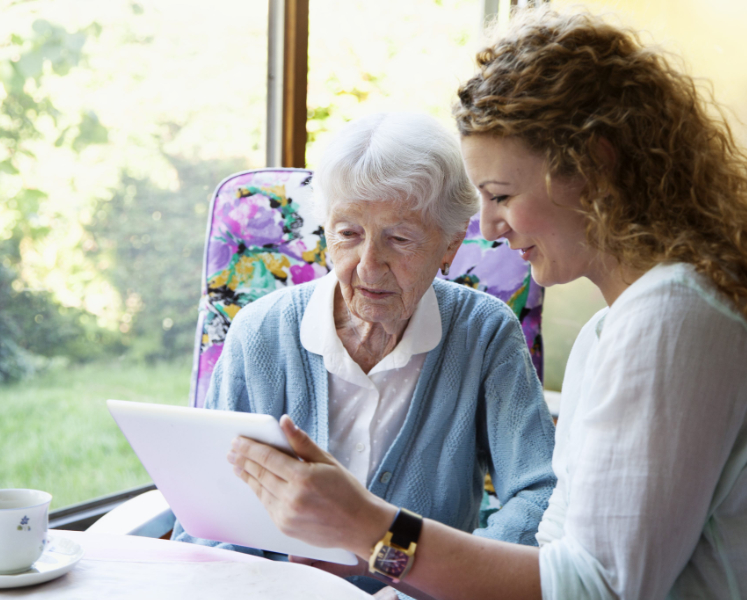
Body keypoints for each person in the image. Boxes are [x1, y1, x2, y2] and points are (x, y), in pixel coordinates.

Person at [225, 6, 747, 600]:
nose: (488, 229)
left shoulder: (675, 319)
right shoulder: (613, 330)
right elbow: (555, 554)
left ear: (595, 168)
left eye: (501, 194)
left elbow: (595, 591)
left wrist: (371, 528)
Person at [173, 111, 557, 597]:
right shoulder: (260, 334)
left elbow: (539, 494)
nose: (369, 264)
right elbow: (208, 520)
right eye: (348, 234)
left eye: (399, 239)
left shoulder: (485, 333)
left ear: (450, 246)